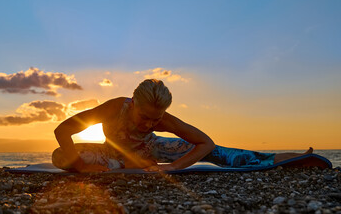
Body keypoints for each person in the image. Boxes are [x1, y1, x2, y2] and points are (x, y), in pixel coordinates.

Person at [52, 79, 313, 173]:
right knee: (61, 155)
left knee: (220, 153)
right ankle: (130, 165)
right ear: (132, 103)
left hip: (150, 150)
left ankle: (289, 158)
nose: (150, 123)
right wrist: (82, 166)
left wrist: (175, 166)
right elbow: (62, 130)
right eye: (144, 116)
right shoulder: (113, 108)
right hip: (111, 154)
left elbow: (206, 143)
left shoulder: (162, 121)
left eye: (156, 118)